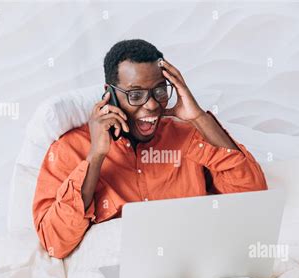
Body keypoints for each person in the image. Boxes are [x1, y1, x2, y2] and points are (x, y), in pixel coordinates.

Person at [32, 39, 267, 258]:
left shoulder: (189, 135)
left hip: (191, 272)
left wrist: (197, 117)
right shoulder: (68, 149)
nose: (153, 104)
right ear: (110, 94)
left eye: (160, 90)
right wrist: (96, 156)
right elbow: (55, 243)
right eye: (135, 94)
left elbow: (253, 199)